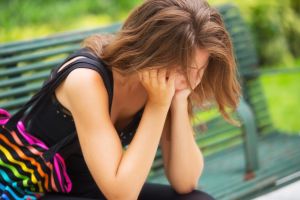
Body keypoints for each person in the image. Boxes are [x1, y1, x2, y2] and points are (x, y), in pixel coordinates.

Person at [25, 0, 241, 199]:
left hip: (95, 188)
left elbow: (185, 182)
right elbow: (122, 195)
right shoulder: (86, 80)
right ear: (152, 52)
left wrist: (178, 100)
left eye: (200, 70)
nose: (192, 81)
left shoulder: (164, 85)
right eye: (185, 70)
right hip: (36, 190)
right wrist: (157, 106)